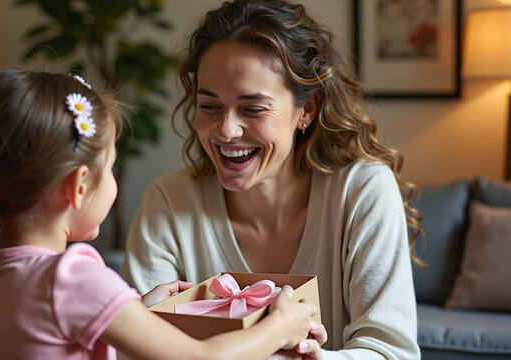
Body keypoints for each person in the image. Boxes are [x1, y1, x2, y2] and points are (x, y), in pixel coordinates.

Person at [0, 69, 325, 360]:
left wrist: (136, 311)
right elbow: (201, 358)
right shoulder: (71, 277)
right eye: (112, 168)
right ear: (79, 186)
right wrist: (281, 327)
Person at [121, 0, 422, 359]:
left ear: (307, 108)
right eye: (209, 106)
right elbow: (134, 351)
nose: (226, 131)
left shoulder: (363, 191)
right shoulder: (168, 202)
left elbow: (392, 353)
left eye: (253, 108)